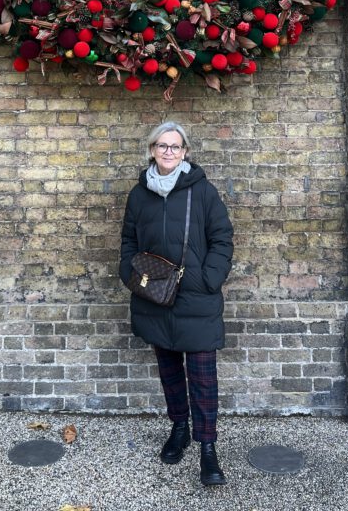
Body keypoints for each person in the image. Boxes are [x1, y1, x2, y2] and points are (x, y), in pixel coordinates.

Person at [119, 121, 234, 487]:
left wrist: (208, 278)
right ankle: (179, 427)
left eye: (176, 146)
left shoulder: (202, 192)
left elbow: (222, 238)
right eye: (162, 145)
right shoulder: (139, 195)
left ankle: (208, 448)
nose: (169, 151)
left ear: (185, 152)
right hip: (154, 294)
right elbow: (128, 240)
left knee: (202, 378)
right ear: (152, 149)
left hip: (196, 297)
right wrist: (129, 273)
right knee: (168, 370)